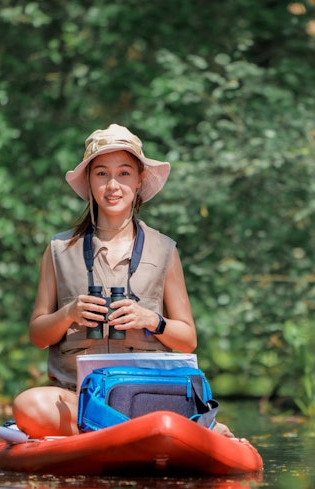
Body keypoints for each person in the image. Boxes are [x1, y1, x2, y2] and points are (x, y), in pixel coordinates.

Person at [12, 124, 233, 438]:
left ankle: (118, 432)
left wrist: (151, 320)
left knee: (150, 411)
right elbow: (37, 335)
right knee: (29, 405)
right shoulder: (59, 250)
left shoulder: (165, 250)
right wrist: (69, 313)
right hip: (79, 400)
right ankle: (149, 432)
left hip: (144, 397)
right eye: (101, 174)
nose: (112, 185)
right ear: (89, 181)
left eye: (124, 173)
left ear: (140, 180)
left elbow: (187, 339)